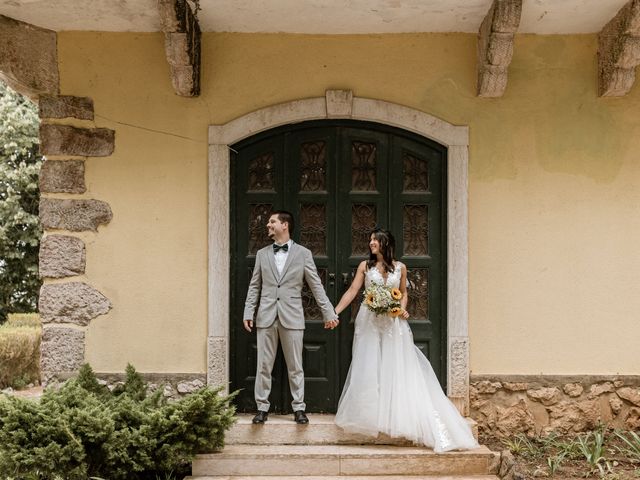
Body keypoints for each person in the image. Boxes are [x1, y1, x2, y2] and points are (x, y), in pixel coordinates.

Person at [334, 227, 478, 452]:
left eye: (375, 240)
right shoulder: (365, 266)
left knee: (395, 366)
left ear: (385, 243)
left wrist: (401, 309)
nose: (371, 243)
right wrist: (336, 312)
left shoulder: (400, 268)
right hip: (369, 322)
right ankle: (370, 416)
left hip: (393, 323)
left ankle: (395, 415)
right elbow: (353, 290)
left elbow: (404, 293)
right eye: (370, 240)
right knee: (369, 365)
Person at [243, 210, 339, 425]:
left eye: (272, 222)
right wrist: (249, 312)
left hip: (292, 316)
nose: (268, 225)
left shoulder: (303, 254)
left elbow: (315, 285)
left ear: (284, 225)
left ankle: (299, 408)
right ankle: (262, 407)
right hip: (266, 316)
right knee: (263, 365)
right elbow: (254, 286)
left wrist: (328, 312)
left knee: (295, 365)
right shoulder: (262, 254)